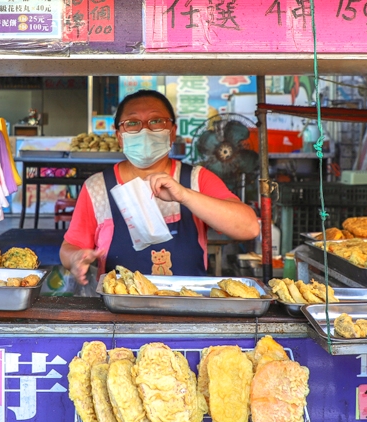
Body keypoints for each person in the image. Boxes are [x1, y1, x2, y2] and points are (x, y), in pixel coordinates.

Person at [60, 90, 259, 284]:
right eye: (132, 123)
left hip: (187, 309)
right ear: (119, 136)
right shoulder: (97, 188)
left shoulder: (196, 179)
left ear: (172, 132)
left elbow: (248, 228)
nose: (144, 130)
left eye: (156, 121)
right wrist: (76, 258)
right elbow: (71, 246)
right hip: (118, 309)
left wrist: (186, 196)